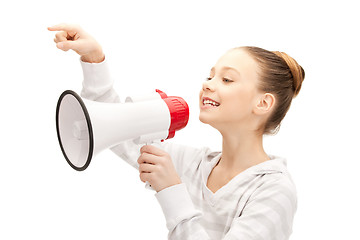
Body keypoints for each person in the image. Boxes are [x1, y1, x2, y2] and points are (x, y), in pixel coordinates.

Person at [49, 23, 304, 240]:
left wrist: (172, 191)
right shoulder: (193, 165)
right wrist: (94, 59)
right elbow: (115, 131)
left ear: (263, 103)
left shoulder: (274, 189)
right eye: (210, 76)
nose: (207, 84)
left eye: (226, 79)